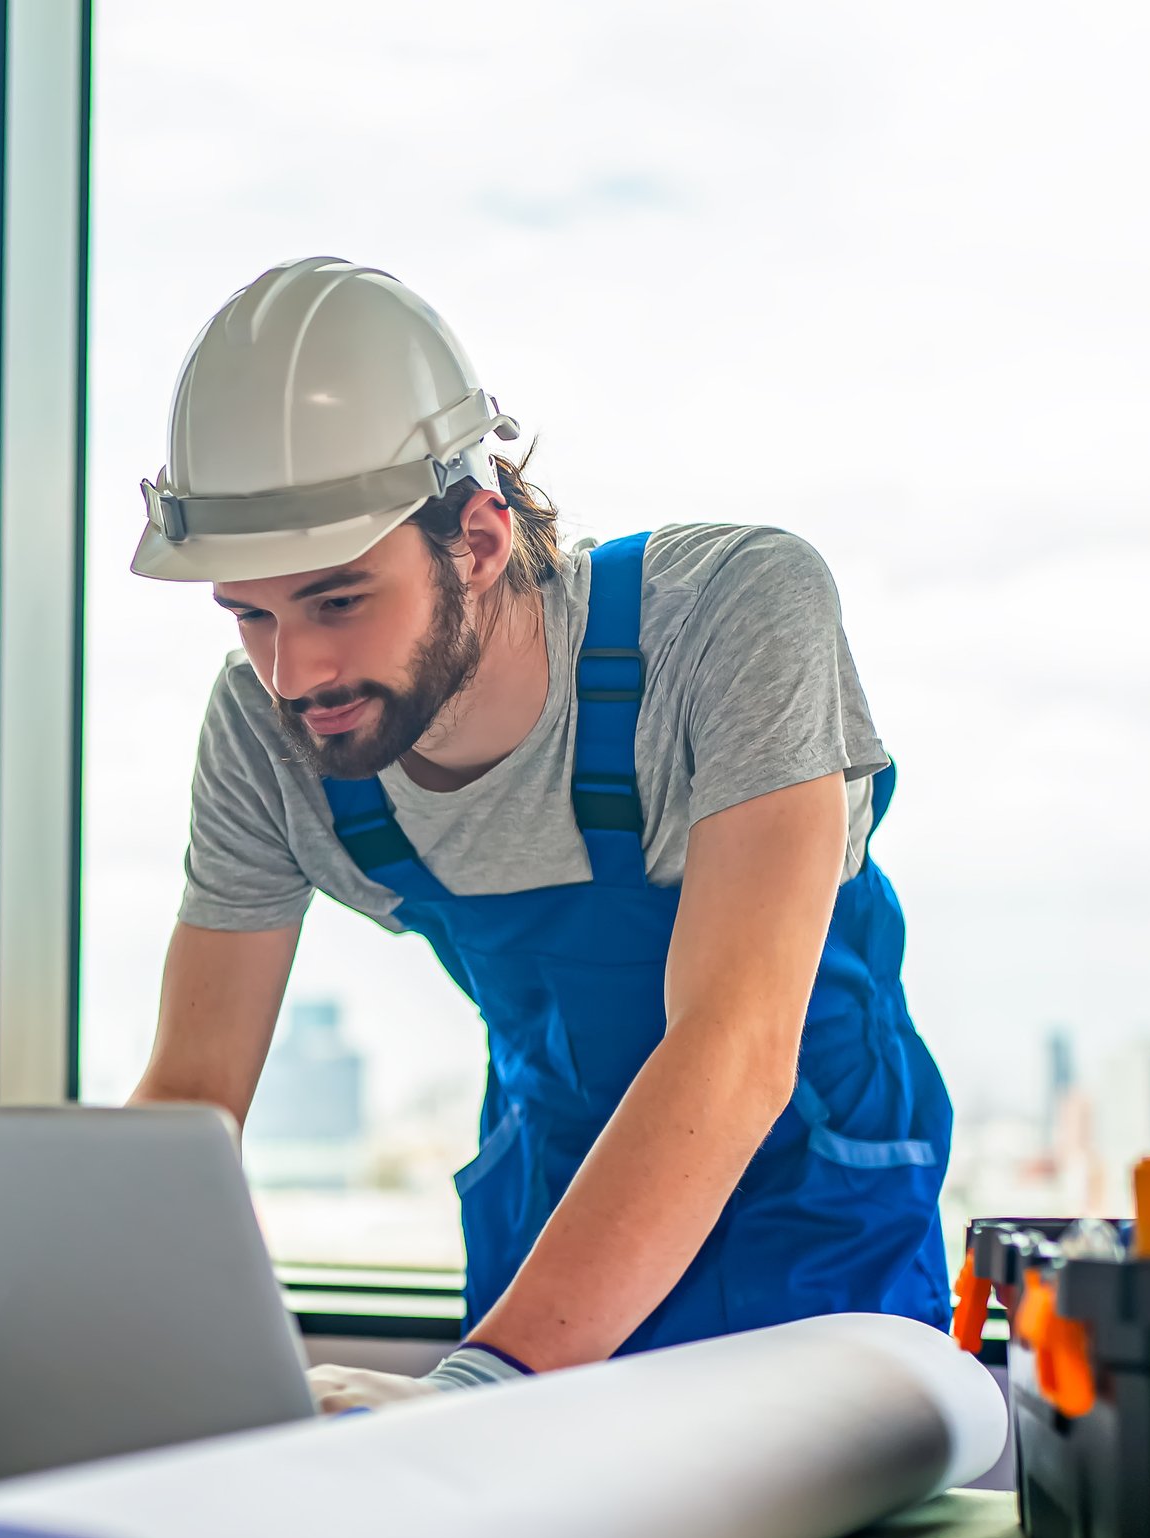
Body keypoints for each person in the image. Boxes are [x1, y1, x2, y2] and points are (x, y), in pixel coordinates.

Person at [126, 258, 951, 1413]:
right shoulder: (268, 737)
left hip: (808, 1261)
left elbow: (738, 1047)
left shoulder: (730, 616)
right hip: (548, 1245)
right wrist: (73, 1366)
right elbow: (192, 1095)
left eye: (338, 600)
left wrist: (478, 1390)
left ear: (477, 537)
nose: (294, 673)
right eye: (248, 615)